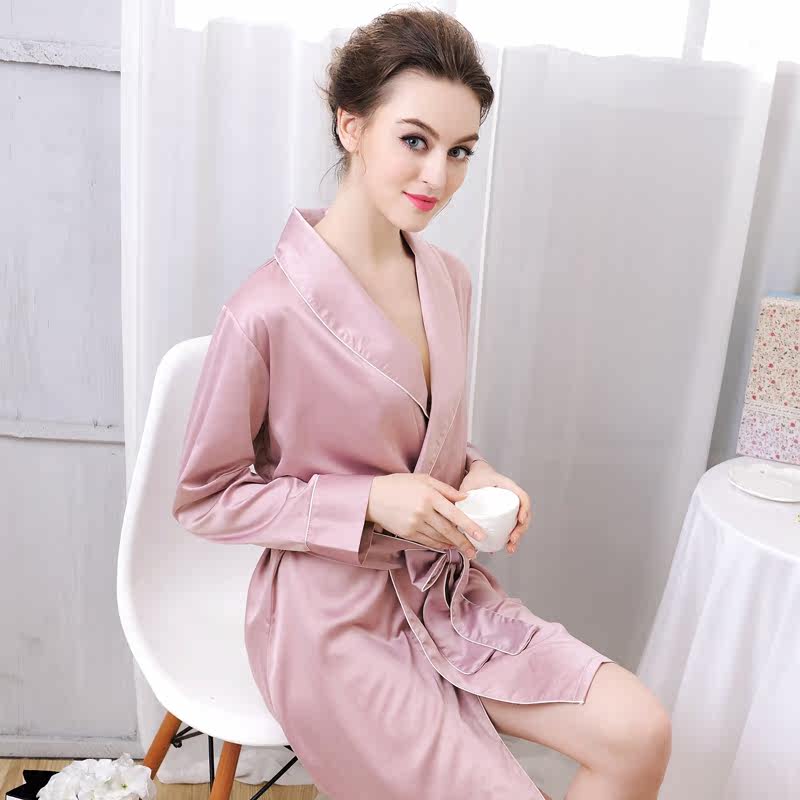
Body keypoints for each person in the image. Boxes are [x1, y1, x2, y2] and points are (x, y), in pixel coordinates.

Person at [172, 7, 671, 800]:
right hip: (330, 617)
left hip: (443, 588)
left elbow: (430, 441)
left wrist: (479, 477)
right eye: (415, 140)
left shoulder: (448, 281)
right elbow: (206, 498)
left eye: (460, 150)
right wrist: (369, 500)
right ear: (351, 126)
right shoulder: (265, 311)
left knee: (639, 733)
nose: (438, 176)